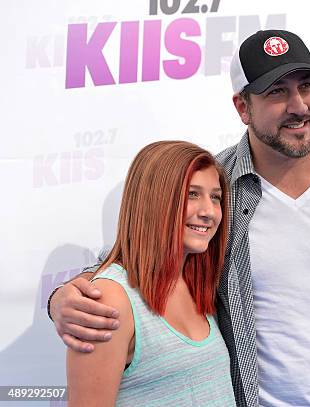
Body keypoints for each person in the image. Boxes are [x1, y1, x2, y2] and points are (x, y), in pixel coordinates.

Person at [50, 30, 310, 406]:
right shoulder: (217, 187)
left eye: (306, 86)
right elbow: (135, 256)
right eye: (277, 92)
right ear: (243, 107)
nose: (298, 106)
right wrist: (64, 298)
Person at [65, 141, 236, 406]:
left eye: (215, 197)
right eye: (192, 194)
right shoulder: (111, 299)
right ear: (153, 201)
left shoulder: (197, 282)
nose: (209, 212)